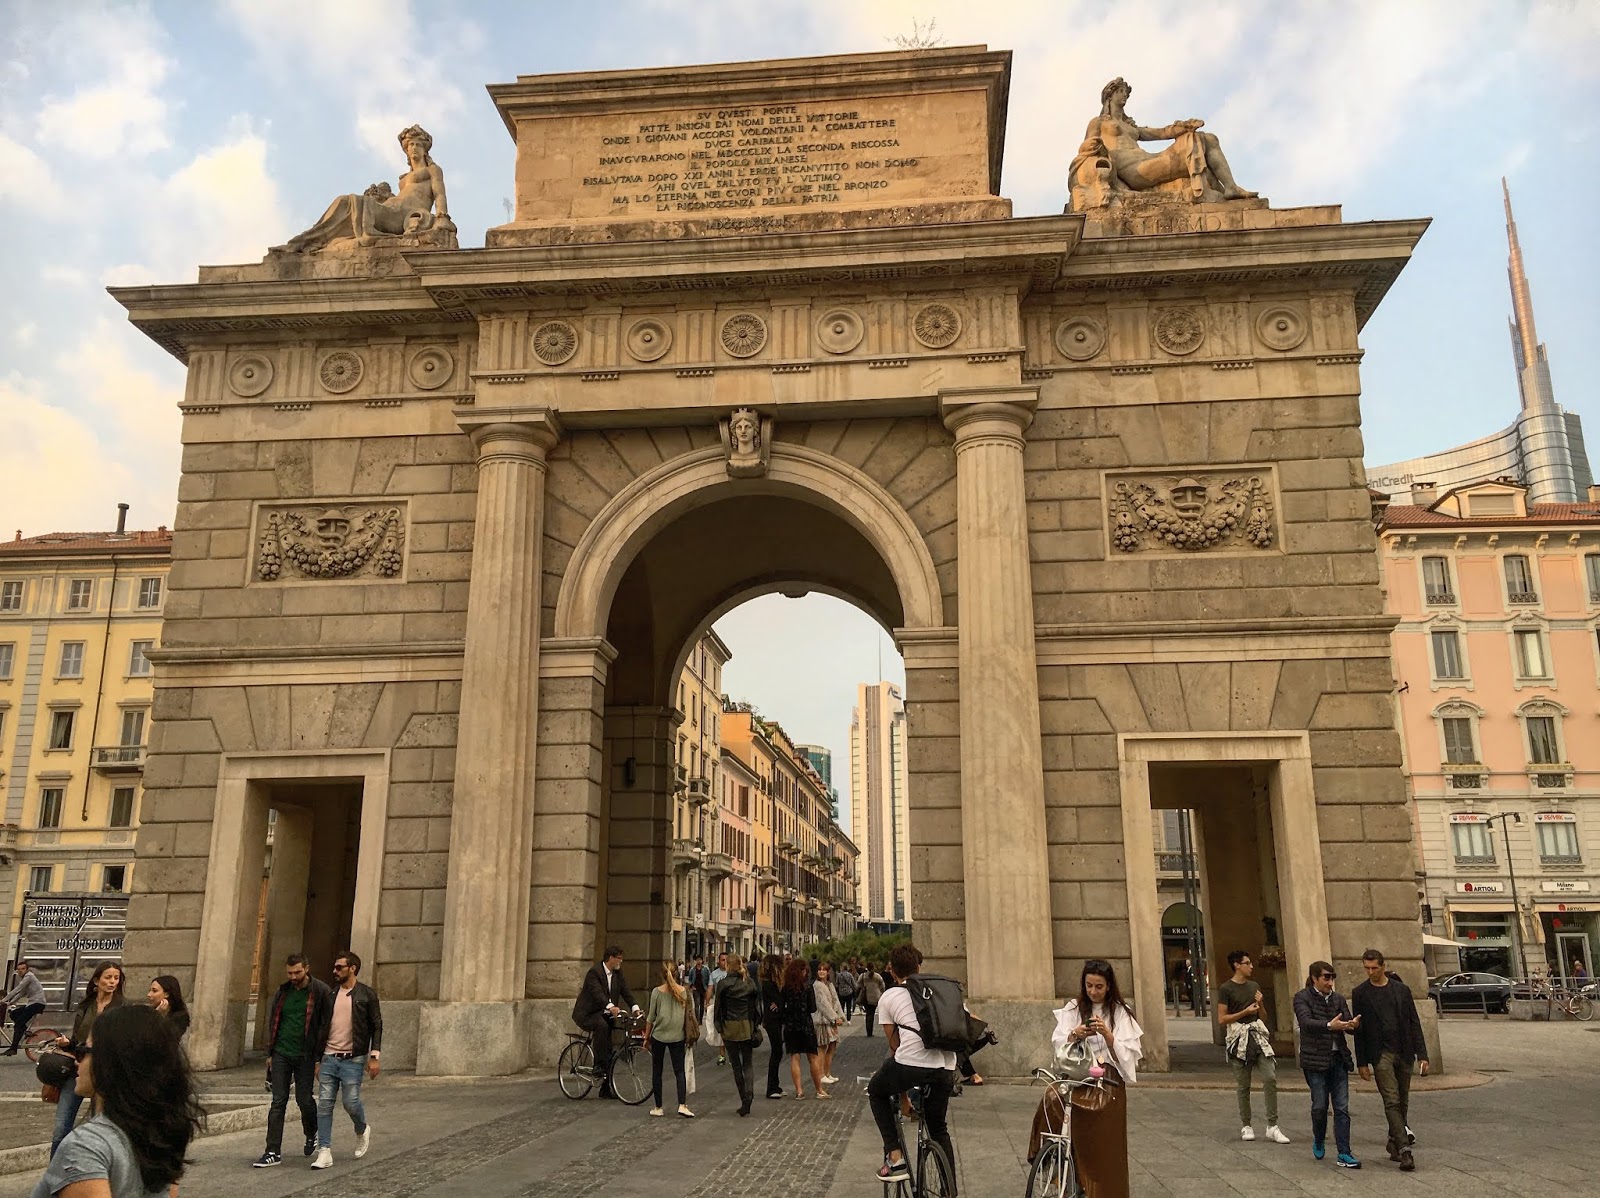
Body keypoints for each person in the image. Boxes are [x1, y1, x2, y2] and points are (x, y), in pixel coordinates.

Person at [29, 1004, 205, 1198]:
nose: (77, 1061)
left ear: (110, 1062)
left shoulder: (86, 1147)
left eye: (83, 1050)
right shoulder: (158, 1134)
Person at [1029, 958, 1145, 1197]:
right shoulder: (1074, 1008)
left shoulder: (1121, 1013)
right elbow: (1058, 1042)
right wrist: (1075, 1034)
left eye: (1099, 986)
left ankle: (1099, 1186)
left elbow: (1128, 1055)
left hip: (1107, 1079)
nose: (1093, 991)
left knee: (1102, 1133)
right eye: (1089, 985)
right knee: (1052, 1096)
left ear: (1109, 986)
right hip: (1077, 1074)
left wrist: (1107, 1034)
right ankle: (1055, 1155)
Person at [278, 125, 453, 254]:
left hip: (404, 216)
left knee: (351, 202)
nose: (414, 148)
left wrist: (442, 217)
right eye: (410, 145)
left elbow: (439, 193)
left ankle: (306, 242)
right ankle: (307, 242)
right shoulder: (403, 178)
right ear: (406, 151)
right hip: (389, 209)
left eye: (417, 145)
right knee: (345, 201)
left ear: (424, 149)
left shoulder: (432, 170)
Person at [867, 943, 954, 1183]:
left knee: (876, 1091)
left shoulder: (890, 996)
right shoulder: (940, 991)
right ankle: (950, 1189)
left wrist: (903, 1096)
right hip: (946, 1066)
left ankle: (895, 1158)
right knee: (939, 1128)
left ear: (892, 972)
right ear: (919, 966)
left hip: (910, 1064)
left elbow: (895, 1046)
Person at [253, 954, 334, 1168]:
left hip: (306, 1054)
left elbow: (326, 1025)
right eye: (290, 973)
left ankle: (311, 1131)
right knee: (278, 1101)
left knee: (304, 1099)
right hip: (281, 1052)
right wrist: (270, 1054)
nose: (294, 976)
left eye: (297, 972)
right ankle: (272, 1151)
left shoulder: (320, 991)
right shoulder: (282, 992)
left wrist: (320, 1057)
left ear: (307, 968)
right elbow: (274, 1021)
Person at [1351, 949, 1429, 1173]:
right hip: (1380, 1053)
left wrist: (1422, 1054)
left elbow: (1414, 1022)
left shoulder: (1401, 990)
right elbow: (1360, 1029)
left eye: (1374, 968)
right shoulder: (1361, 993)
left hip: (1404, 1051)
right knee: (1391, 1100)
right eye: (1367, 968)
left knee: (1402, 1101)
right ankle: (1405, 1150)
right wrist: (1362, 1062)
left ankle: (1394, 1141)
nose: (1371, 972)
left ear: (1383, 966)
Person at [310, 950, 382, 1170]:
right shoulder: (330, 996)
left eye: (339, 967)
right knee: (324, 1105)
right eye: (335, 967)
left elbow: (376, 1025)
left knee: (350, 1103)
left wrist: (374, 1056)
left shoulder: (366, 995)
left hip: (354, 1059)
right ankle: (324, 1151)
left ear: (352, 968)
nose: (335, 971)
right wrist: (317, 1060)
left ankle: (362, 1129)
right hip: (330, 1057)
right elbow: (321, 1028)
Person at [51, 962, 125, 1157]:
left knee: (98, 1127)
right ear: (96, 980)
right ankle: (55, 1176)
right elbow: (78, 1040)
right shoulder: (86, 1006)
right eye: (108, 977)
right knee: (61, 1129)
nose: (112, 982)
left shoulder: (121, 1007)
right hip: (78, 1068)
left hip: (103, 1072)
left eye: (116, 978)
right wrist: (68, 1043)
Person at [1293, 961, 1361, 1169]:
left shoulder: (1338, 999)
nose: (1330, 982)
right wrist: (1330, 1025)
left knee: (1341, 1107)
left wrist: (1352, 1025)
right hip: (1315, 1060)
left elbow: (1347, 1023)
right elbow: (1305, 1023)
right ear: (1314, 978)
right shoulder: (1302, 997)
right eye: (1326, 977)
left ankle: (1344, 1152)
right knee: (1320, 1106)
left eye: (1332, 977)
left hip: (1338, 1058)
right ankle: (1319, 1138)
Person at [1218, 950, 1289, 1145]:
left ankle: (1272, 1125)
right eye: (1247, 963)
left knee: (1270, 1077)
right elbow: (1222, 1018)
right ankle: (1246, 1124)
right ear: (1236, 965)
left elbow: (1263, 1017)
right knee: (1243, 1084)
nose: (1251, 966)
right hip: (1238, 1038)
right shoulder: (1226, 989)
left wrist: (1260, 1004)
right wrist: (1245, 1012)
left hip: (1257, 1036)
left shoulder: (1254, 986)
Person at [571, 946, 639, 1100]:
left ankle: (605, 1088)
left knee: (610, 1043)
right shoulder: (594, 973)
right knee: (601, 1026)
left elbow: (626, 992)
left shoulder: (617, 973)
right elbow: (597, 994)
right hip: (587, 1014)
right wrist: (611, 1007)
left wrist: (635, 1008)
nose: (621, 960)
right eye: (619, 957)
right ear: (610, 958)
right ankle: (599, 1066)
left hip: (604, 1014)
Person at [643, 963, 694, 1118]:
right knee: (679, 1071)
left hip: (659, 1035)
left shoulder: (656, 992)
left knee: (657, 1071)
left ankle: (658, 1107)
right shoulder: (684, 992)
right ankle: (682, 1105)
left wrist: (646, 1037)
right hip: (677, 1036)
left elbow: (651, 1017)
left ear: (663, 975)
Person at [712, 953, 760, 1116]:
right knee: (748, 1063)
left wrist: (719, 1026)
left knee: (736, 1065)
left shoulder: (724, 984)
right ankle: (749, 1095)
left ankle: (743, 1098)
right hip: (746, 1024)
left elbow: (718, 1007)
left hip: (729, 1026)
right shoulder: (749, 983)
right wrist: (755, 1026)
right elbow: (755, 1007)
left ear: (728, 966)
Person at [780, 959, 827, 1099]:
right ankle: (819, 1090)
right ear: (802, 971)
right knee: (813, 1058)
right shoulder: (807, 987)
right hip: (806, 1024)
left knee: (795, 1057)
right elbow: (812, 1008)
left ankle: (799, 1091)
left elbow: (782, 1007)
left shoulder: (786, 988)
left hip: (791, 1025)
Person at [4, 960, 46, 1055]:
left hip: (37, 1003)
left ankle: (13, 1048)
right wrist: (10, 1002)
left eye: (23, 969)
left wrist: (3, 1000)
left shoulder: (29, 976)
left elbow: (17, 989)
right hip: (32, 1003)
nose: (20, 971)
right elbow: (21, 993)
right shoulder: (26, 979)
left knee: (18, 1024)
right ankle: (24, 1030)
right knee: (14, 1013)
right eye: (18, 969)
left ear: (27, 969)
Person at [760, 953, 787, 1099]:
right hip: (772, 1020)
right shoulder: (769, 984)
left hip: (776, 1019)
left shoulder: (772, 983)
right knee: (776, 1051)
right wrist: (778, 1003)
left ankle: (775, 1085)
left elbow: (779, 1002)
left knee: (778, 1051)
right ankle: (771, 1087)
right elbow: (779, 1000)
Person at [813, 962, 844, 1086]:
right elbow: (823, 1004)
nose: (821, 972)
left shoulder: (830, 985)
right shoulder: (818, 986)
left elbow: (835, 1000)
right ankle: (820, 1074)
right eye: (819, 969)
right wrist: (834, 1017)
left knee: (832, 1046)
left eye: (824, 970)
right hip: (823, 1021)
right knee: (822, 1047)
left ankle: (827, 1072)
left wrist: (839, 1015)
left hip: (832, 1020)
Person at [708, 952, 729, 1066]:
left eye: (726, 960)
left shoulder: (732, 973)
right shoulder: (714, 974)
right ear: (718, 961)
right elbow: (710, 988)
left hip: (731, 1006)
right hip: (719, 1005)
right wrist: (707, 1002)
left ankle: (731, 1053)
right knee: (721, 1030)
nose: (724, 962)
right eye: (722, 960)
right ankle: (722, 1055)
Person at [859, 964, 885, 1037]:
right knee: (872, 1014)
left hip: (866, 997)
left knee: (868, 1014)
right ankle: (870, 1031)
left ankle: (868, 1031)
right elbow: (882, 986)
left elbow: (858, 985)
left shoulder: (863, 976)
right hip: (875, 997)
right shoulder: (877, 976)